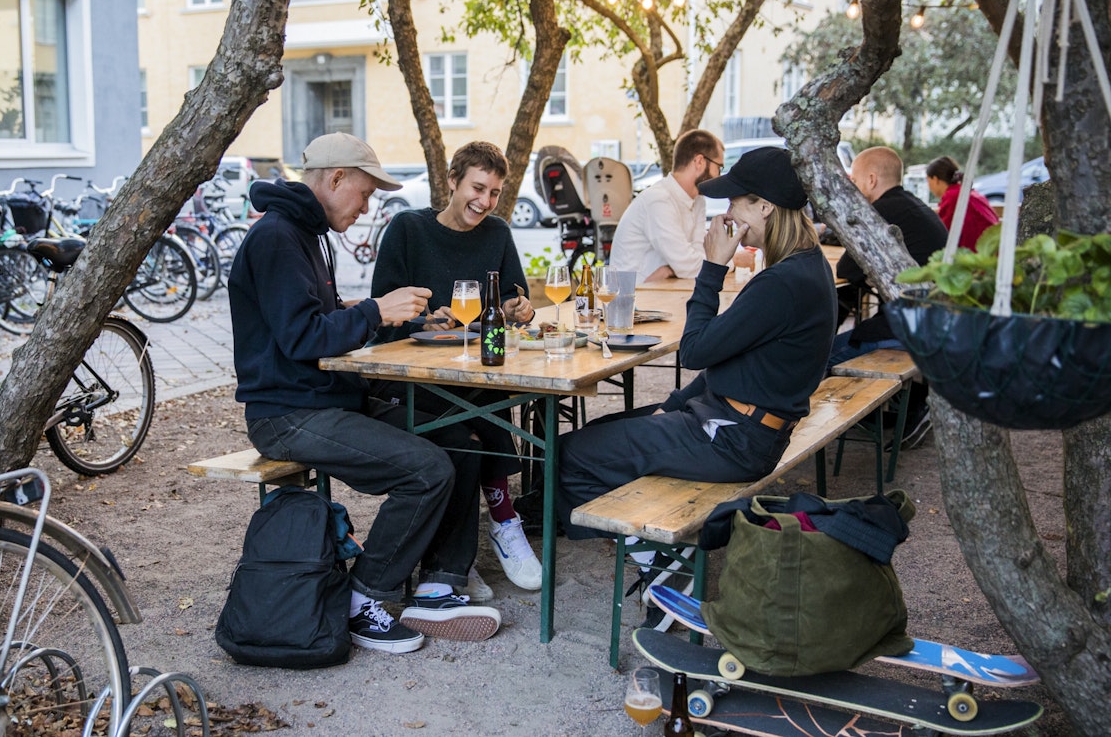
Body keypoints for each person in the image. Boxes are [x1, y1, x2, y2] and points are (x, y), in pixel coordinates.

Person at [228, 133, 500, 655]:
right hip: (287, 415)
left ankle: (438, 585)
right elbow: (302, 337)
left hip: (326, 399)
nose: (367, 207)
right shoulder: (278, 237)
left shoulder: (306, 233)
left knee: (459, 442)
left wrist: (393, 315)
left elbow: (317, 315)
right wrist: (376, 310)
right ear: (336, 179)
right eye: (366, 193)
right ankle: (363, 598)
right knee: (427, 469)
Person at [555, 148, 837, 627]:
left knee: (573, 454)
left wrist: (713, 267)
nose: (727, 214)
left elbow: (695, 351)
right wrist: (671, 405)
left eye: (736, 203)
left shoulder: (784, 282)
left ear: (765, 207)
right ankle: (650, 545)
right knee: (600, 433)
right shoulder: (802, 268)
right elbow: (725, 360)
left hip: (735, 439)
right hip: (736, 423)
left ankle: (662, 563)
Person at [370, 141, 540, 599]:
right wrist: (423, 322)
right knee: (470, 422)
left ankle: (492, 530)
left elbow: (513, 299)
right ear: (451, 181)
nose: (485, 202)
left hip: (471, 367)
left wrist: (518, 309)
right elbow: (380, 315)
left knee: (488, 391)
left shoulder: (497, 233)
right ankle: (477, 540)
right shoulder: (408, 229)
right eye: (478, 188)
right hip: (412, 374)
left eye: (495, 193)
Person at [833, 147, 947, 449]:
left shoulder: (880, 211)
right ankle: (900, 408)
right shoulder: (914, 205)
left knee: (822, 355)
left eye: (855, 181)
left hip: (912, 329)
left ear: (871, 180)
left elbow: (846, 269)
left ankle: (912, 403)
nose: (853, 189)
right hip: (940, 321)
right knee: (850, 332)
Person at [609, 130, 724, 283]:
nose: (719, 176)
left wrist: (673, 270)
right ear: (699, 162)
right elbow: (689, 267)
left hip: (663, 288)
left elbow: (699, 254)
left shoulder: (698, 201)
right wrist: (730, 261)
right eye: (719, 167)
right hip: (633, 294)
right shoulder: (658, 200)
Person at [925, 155, 1000, 250]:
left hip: (978, 253)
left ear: (935, 179)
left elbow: (942, 234)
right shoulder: (965, 192)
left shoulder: (952, 197)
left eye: (928, 180)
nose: (928, 185)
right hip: (993, 249)